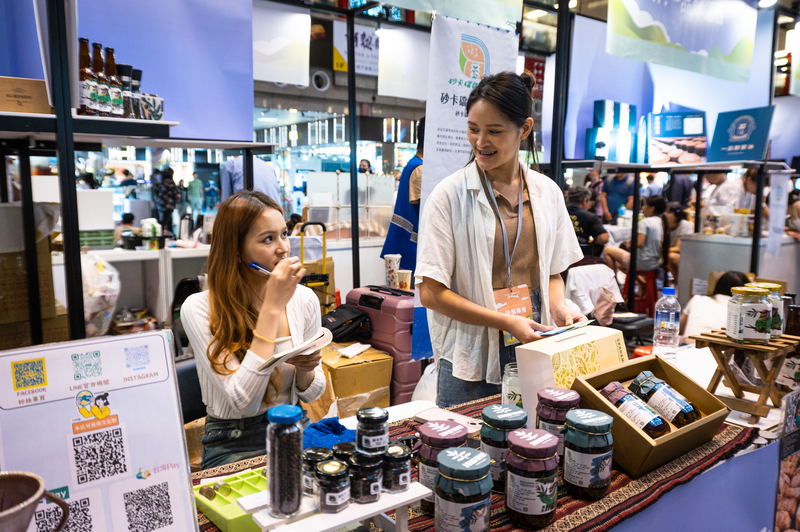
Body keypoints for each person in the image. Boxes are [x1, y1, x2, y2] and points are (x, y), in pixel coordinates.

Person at [416, 71, 584, 408]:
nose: (480, 142)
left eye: (494, 131)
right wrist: (504, 320)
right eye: (473, 129)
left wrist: (560, 306)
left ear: (524, 129)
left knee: (532, 445)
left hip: (534, 338)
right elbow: (430, 293)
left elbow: (552, 272)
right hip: (470, 351)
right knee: (462, 451)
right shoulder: (448, 196)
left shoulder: (546, 192)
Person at [181, 191, 325, 469]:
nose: (284, 248)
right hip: (233, 439)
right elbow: (243, 404)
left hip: (294, 422)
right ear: (235, 249)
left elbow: (313, 393)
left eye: (284, 234)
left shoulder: (304, 299)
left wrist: (307, 369)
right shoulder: (199, 308)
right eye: (267, 239)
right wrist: (271, 308)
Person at [381, 116, 425, 274]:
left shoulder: (413, 165)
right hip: (409, 250)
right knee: (409, 297)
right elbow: (427, 213)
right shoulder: (419, 170)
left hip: (403, 246)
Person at [604, 195, 667, 278]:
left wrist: (631, 241)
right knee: (618, 264)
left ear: (652, 208)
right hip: (654, 262)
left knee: (607, 250)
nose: (643, 208)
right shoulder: (660, 221)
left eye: (645, 205)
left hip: (642, 262)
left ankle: (614, 284)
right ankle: (641, 283)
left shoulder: (645, 222)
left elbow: (639, 243)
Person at [680, 271, 750, 343]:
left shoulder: (697, 299)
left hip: (687, 347)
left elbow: (679, 328)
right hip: (718, 351)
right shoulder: (741, 308)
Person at [566, 186, 608, 253]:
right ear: (584, 201)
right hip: (582, 255)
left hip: (560, 255)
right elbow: (603, 238)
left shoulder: (558, 214)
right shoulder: (590, 217)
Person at [663, 202, 693, 285]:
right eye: (665, 211)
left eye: (668, 212)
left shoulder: (684, 225)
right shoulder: (664, 225)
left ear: (676, 214)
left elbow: (678, 248)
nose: (665, 214)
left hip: (684, 256)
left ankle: (677, 285)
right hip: (667, 252)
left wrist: (662, 250)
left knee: (670, 257)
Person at [157, 167, 180, 235]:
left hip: (161, 203)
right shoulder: (170, 182)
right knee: (165, 219)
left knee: (167, 218)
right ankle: (161, 233)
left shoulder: (161, 182)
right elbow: (177, 194)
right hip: (169, 204)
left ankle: (170, 233)